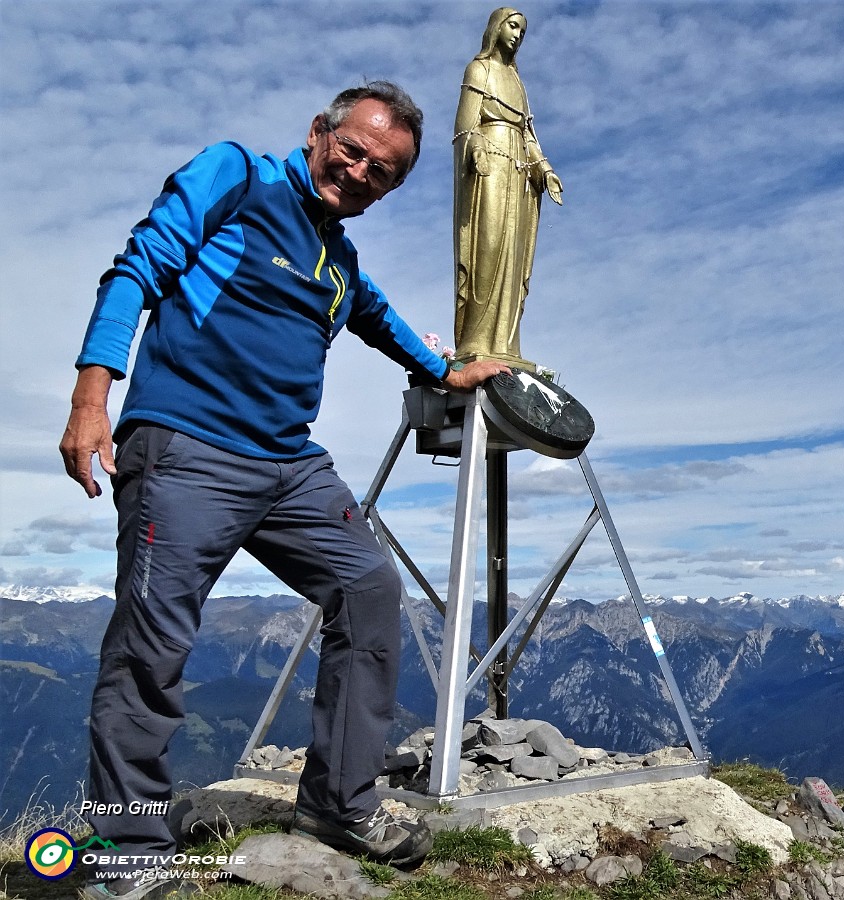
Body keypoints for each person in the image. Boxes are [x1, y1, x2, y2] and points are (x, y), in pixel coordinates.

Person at [59, 81, 510, 899]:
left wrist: (444, 370)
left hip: (288, 464)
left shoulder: (338, 256)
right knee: (150, 646)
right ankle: (127, 848)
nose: (362, 171)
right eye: (355, 150)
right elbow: (137, 267)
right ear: (318, 133)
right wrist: (94, 396)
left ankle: (339, 802)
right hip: (186, 448)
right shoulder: (237, 175)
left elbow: (374, 314)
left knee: (369, 589)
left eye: (385, 173)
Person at [453, 6, 563, 372]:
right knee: (488, 247)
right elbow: (465, 127)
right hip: (490, 170)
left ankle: (505, 343)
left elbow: (529, 135)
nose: (517, 35)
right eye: (513, 26)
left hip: (519, 174)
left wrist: (545, 170)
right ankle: (476, 341)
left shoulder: (517, 82)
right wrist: (476, 148)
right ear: (496, 28)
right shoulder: (479, 70)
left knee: (513, 260)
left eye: (523, 30)